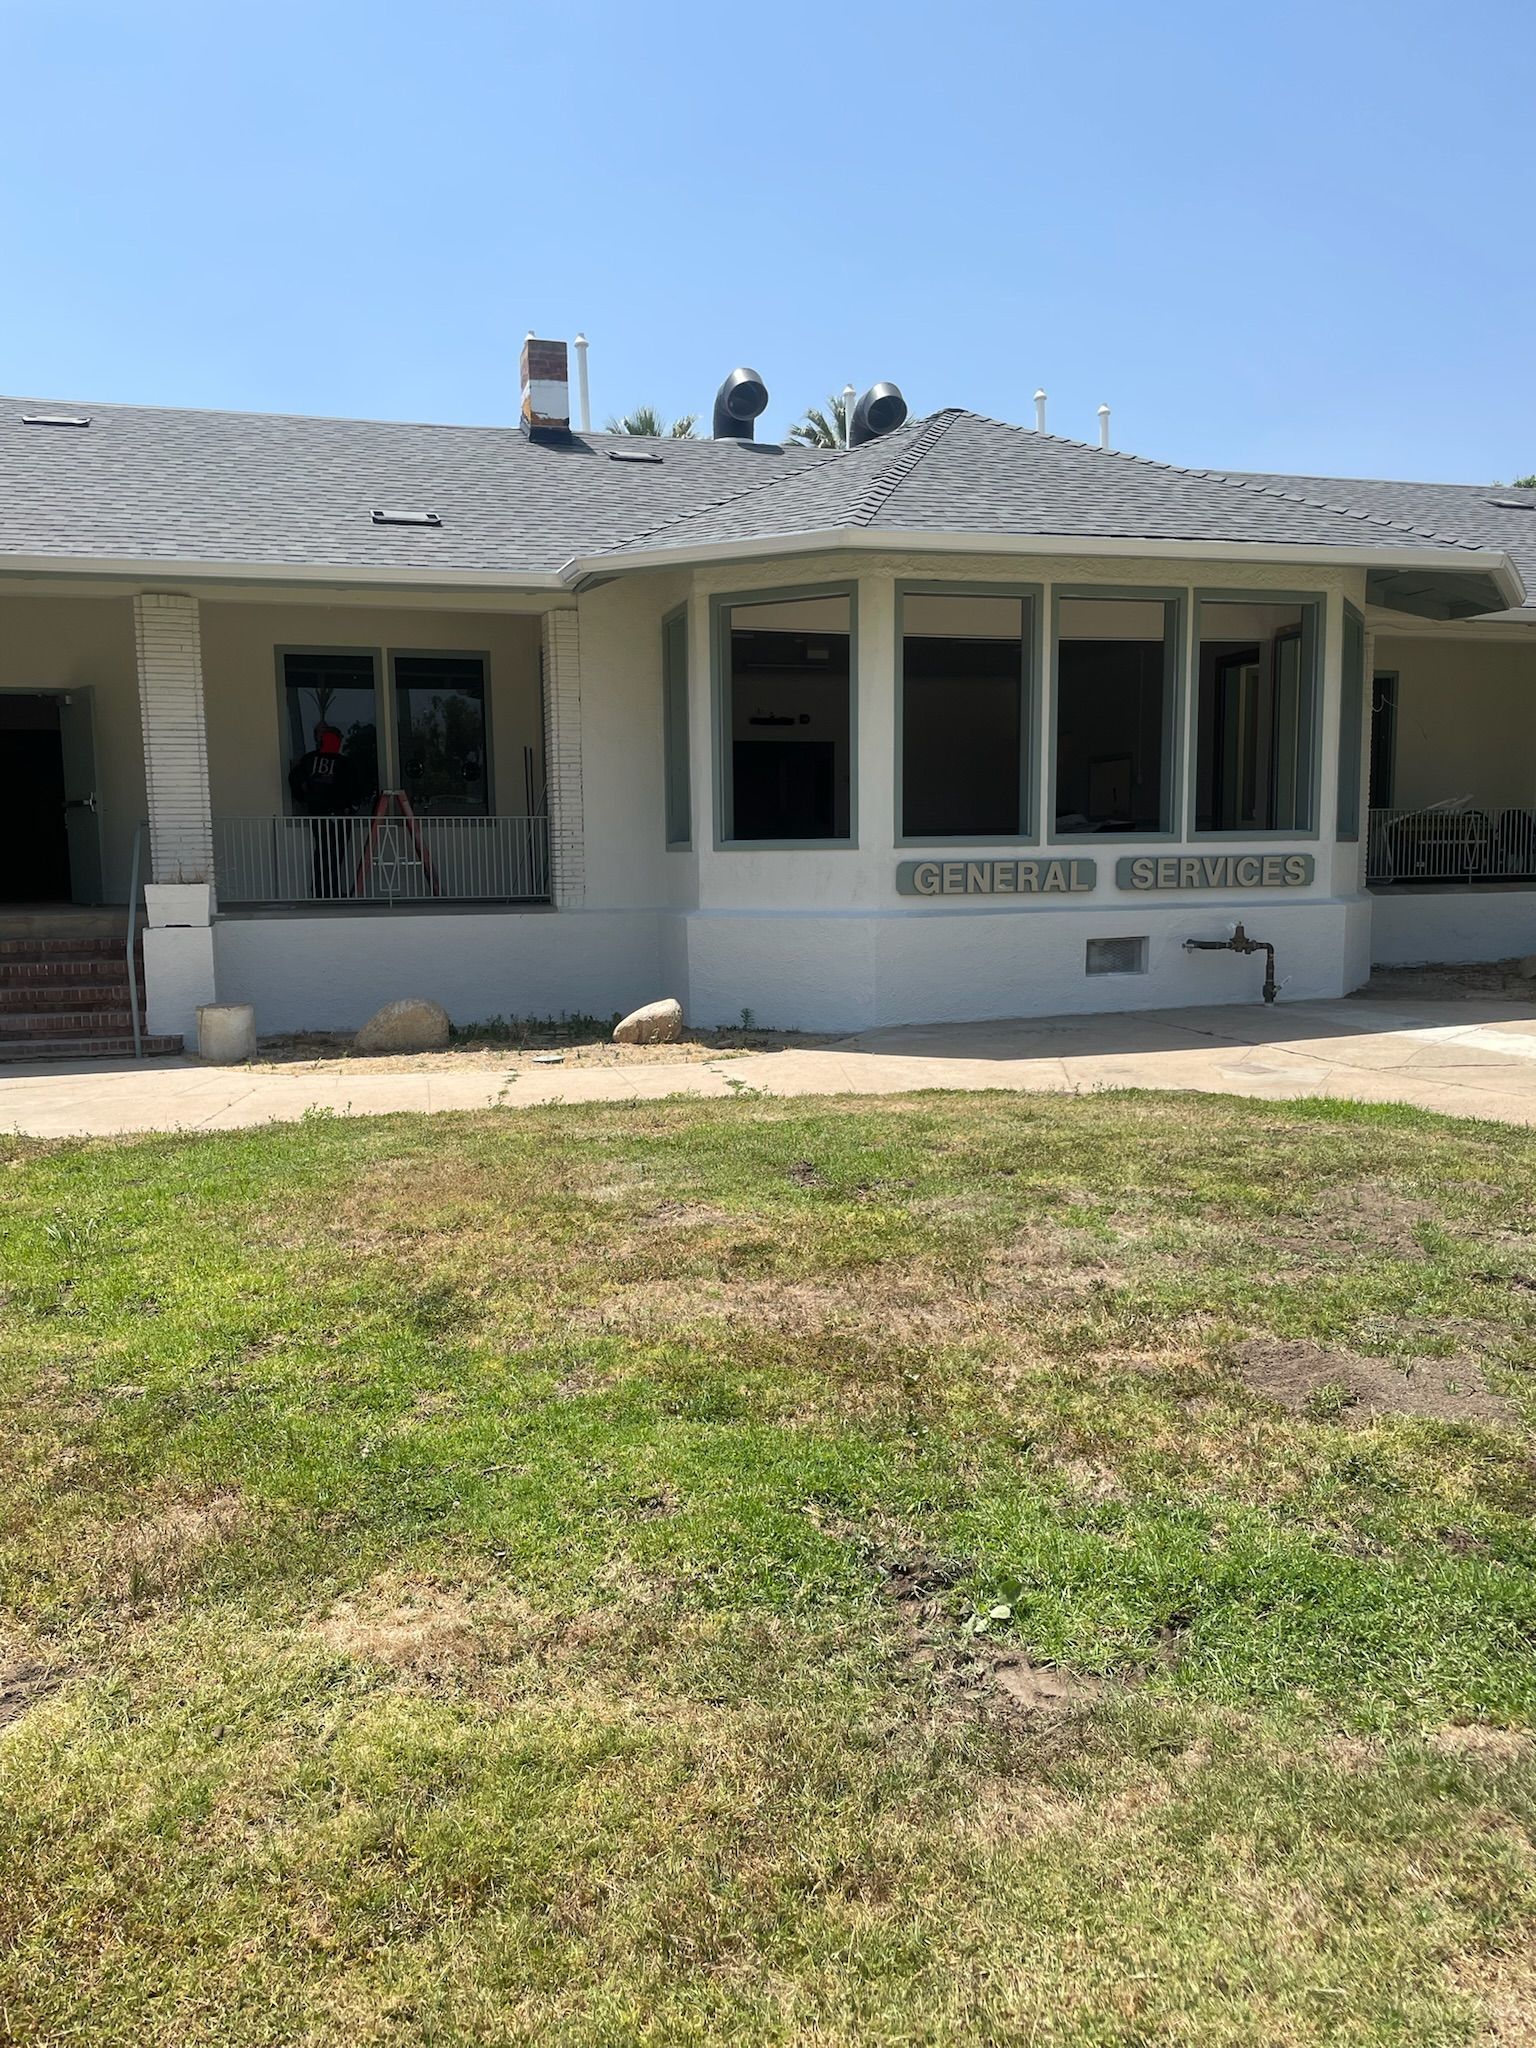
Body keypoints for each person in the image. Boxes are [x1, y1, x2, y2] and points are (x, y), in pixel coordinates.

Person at [287, 723, 364, 898]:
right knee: (333, 853)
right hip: (337, 815)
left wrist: (306, 798)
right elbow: (355, 786)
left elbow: (295, 780)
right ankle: (328, 891)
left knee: (324, 852)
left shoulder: (309, 761)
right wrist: (351, 808)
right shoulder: (343, 763)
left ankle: (323, 890)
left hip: (319, 814)